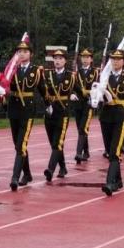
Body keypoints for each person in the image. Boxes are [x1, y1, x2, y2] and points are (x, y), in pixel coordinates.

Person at [95, 49, 124, 196]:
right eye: (113, 59)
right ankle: (118, 180)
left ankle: (110, 183)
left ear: (123, 61)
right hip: (106, 115)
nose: (115, 62)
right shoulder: (104, 77)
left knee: (115, 151)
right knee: (109, 150)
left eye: (118, 59)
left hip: (121, 116)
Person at [6, 41, 43, 191]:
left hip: (27, 110)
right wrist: (2, 89)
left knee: (21, 144)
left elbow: (43, 89)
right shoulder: (12, 69)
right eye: (19, 51)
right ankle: (27, 173)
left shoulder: (36, 70)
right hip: (14, 108)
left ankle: (15, 177)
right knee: (18, 144)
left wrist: (50, 104)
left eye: (25, 51)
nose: (22, 54)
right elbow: (5, 83)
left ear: (31, 54)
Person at [42, 48, 79, 181]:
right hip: (50, 112)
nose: (57, 61)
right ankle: (63, 167)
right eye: (55, 59)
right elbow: (42, 92)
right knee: (54, 143)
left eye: (60, 59)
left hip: (63, 113)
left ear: (65, 61)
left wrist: (74, 94)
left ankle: (50, 170)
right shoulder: (47, 75)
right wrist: (46, 105)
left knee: (58, 142)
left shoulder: (71, 76)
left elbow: (78, 90)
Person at [73, 48, 99, 163]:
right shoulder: (77, 73)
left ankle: (78, 152)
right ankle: (86, 151)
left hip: (89, 102)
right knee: (81, 129)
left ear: (91, 59)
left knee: (83, 128)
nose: (85, 59)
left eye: (87, 57)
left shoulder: (96, 72)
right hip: (79, 103)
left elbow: (98, 87)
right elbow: (73, 86)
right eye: (83, 57)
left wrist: (92, 96)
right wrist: (74, 93)